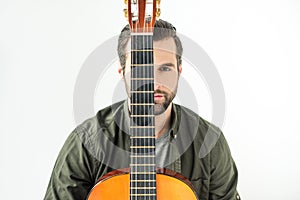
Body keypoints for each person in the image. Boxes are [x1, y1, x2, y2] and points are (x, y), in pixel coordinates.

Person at [44, 19, 240, 200]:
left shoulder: (209, 142)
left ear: (179, 71)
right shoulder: (87, 142)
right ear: (122, 73)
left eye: (165, 69)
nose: (154, 83)